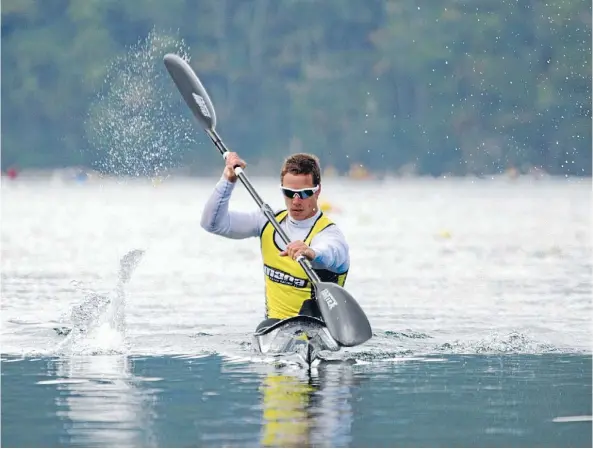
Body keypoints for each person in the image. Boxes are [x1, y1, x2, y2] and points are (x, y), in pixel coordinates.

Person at [200, 152, 350, 332]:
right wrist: (228, 180)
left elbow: (333, 253)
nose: (295, 201)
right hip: (274, 332)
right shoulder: (267, 221)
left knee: (306, 314)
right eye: (289, 193)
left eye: (303, 194)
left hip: (319, 335)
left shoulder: (329, 234)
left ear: (317, 191)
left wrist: (311, 252)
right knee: (267, 327)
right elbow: (212, 223)